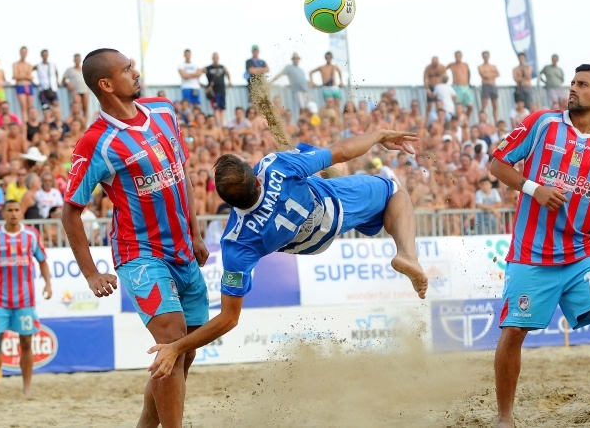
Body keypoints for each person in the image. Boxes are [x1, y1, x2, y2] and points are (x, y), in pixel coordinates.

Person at [146, 129, 430, 379]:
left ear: (228, 203)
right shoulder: (275, 167)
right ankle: (407, 253)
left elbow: (228, 319)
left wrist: (176, 347)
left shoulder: (236, 242)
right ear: (256, 180)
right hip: (333, 207)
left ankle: (397, 242)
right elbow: (342, 151)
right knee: (393, 189)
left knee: (350, 186)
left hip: (310, 243)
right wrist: (380, 135)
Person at [61, 48, 209, 428]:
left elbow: (181, 172)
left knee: (184, 354)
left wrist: (194, 232)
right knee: (171, 344)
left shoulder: (162, 110)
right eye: (127, 69)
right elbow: (70, 211)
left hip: (183, 252)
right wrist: (92, 273)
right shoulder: (96, 143)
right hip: (141, 256)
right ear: (106, 84)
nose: (136, 72)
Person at [490, 64, 590, 426]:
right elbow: (497, 164)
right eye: (571, 82)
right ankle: (505, 417)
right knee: (513, 331)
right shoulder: (543, 123)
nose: (572, 88)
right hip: (531, 253)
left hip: (581, 253)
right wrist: (533, 188)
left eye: (581, 84)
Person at [0, 200, 52, 396]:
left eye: (17, 210)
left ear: (21, 213)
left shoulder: (32, 235)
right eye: (10, 210)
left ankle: (27, 387)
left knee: (26, 343)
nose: (14, 213)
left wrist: (48, 284)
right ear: (3, 213)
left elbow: (42, 261)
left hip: (25, 301)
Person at [205, 52, 232, 128]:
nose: (215, 58)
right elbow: (199, 72)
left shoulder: (222, 67)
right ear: (212, 58)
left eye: (216, 57)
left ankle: (222, 124)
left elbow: (227, 73)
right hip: (214, 91)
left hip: (222, 90)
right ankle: (218, 124)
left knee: (222, 108)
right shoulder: (208, 68)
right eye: (214, 57)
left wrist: (229, 81)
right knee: (216, 108)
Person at [447, 51, 473, 118]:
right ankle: (458, 120)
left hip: (466, 86)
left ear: (461, 56)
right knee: (458, 106)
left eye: (459, 55)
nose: (458, 57)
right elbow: (443, 70)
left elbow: (469, 72)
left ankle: (465, 119)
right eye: (456, 55)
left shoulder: (465, 64)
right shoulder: (452, 65)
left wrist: (469, 82)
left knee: (470, 105)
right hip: (456, 87)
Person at [13, 46, 34, 123]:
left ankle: (30, 122)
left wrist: (21, 75)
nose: (24, 54)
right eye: (22, 52)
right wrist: (26, 76)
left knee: (29, 107)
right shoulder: (15, 64)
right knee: (23, 107)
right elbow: (15, 76)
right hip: (20, 86)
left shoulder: (29, 65)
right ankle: (25, 123)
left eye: (25, 52)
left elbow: (30, 77)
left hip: (29, 86)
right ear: (20, 53)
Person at [478, 51, 500, 123]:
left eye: (487, 55)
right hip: (485, 86)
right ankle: (482, 120)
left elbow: (498, 74)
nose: (486, 57)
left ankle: (496, 121)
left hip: (493, 85)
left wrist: (488, 74)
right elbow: (484, 76)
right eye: (484, 56)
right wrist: (491, 74)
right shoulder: (481, 66)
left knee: (495, 105)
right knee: (484, 105)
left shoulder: (493, 66)